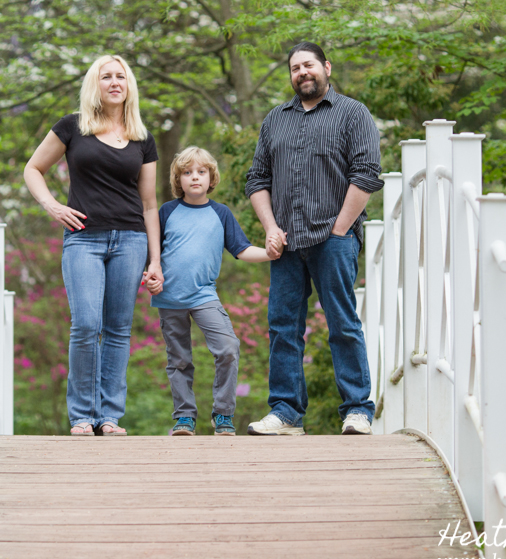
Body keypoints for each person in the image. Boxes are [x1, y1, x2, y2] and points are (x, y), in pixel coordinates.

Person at [244, 42, 384, 436]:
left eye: (308, 65)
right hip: (286, 242)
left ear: (326, 66)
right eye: (294, 68)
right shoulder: (275, 120)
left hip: (333, 239)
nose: (302, 73)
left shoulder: (353, 113)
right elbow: (258, 179)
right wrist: (271, 228)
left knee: (342, 324)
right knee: (282, 326)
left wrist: (339, 229)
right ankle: (286, 413)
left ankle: (357, 409)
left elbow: (367, 173)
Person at [23, 54, 162, 437]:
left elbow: (150, 204)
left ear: (129, 85)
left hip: (131, 240)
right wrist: (52, 205)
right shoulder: (72, 127)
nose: (115, 82)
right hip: (83, 238)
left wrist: (156, 259)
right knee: (86, 324)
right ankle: (82, 415)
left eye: (121, 76)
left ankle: (109, 417)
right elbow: (32, 169)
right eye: (106, 76)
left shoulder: (141, 138)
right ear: (94, 84)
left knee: (118, 329)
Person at [146, 146, 278, 436]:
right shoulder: (167, 212)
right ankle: (184, 418)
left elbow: (242, 250)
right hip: (169, 299)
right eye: (187, 173)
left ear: (211, 177)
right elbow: (151, 258)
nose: (195, 178)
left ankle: (223, 414)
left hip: (204, 296)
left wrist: (271, 253)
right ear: (177, 180)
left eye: (201, 172)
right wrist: (151, 279)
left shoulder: (221, 213)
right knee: (179, 360)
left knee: (228, 348)